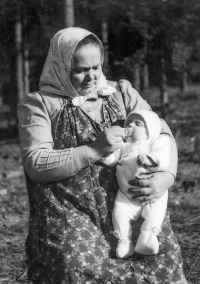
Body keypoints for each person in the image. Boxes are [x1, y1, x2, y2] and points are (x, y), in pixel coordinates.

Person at [17, 27, 188, 284]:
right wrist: (94, 150)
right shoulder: (40, 104)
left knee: (163, 256)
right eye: (80, 70)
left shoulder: (119, 92)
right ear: (61, 66)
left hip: (129, 203)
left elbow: (162, 132)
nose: (91, 77)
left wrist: (167, 175)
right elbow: (37, 164)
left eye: (96, 67)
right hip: (70, 213)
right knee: (75, 265)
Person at [101, 110, 171, 259]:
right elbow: (111, 159)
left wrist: (150, 159)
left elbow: (163, 156)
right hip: (127, 192)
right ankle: (124, 242)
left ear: (150, 129)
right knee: (119, 213)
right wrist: (106, 152)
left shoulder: (154, 141)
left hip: (150, 188)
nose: (130, 126)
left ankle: (148, 237)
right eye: (128, 123)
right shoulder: (124, 145)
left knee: (155, 212)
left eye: (138, 124)